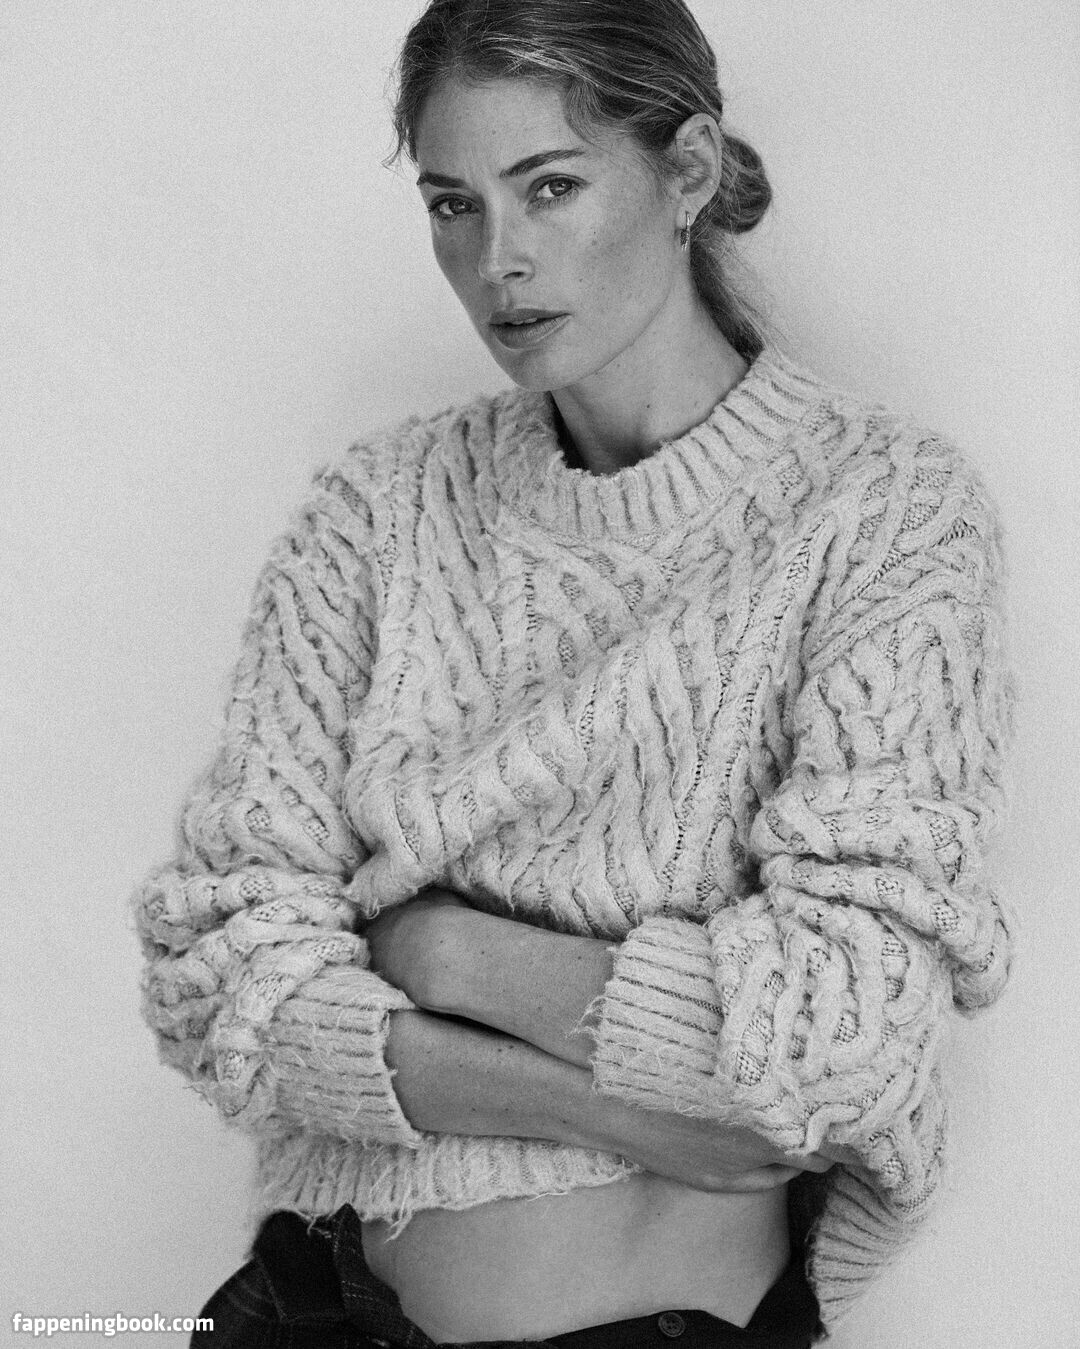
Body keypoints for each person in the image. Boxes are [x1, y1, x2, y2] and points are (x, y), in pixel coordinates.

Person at [133, 1, 1013, 1345]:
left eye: (549, 186)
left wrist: (440, 947)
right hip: (308, 1309)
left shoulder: (882, 512)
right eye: (453, 205)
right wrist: (608, 1103)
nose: (498, 260)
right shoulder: (378, 511)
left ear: (688, 171)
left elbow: (842, 1038)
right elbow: (215, 976)